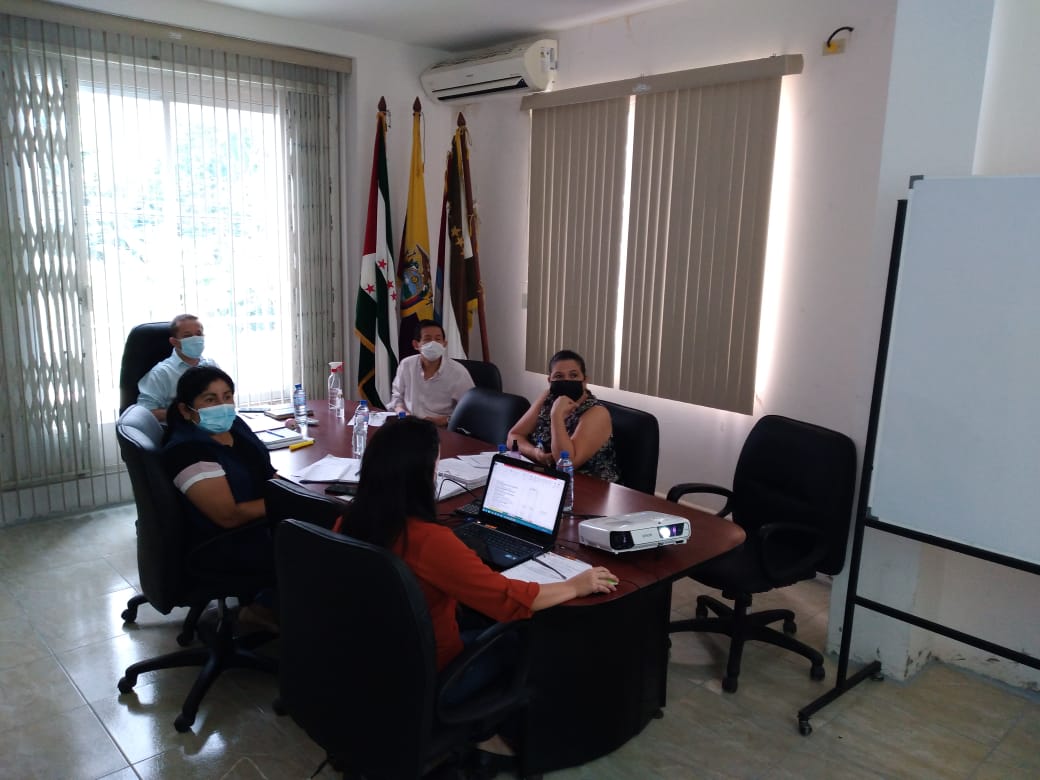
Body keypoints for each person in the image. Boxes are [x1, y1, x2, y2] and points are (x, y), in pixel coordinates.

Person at [338, 416, 617, 767]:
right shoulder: (430, 542)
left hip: (370, 660)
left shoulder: (348, 520)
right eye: (436, 464)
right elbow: (506, 601)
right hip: (433, 675)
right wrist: (575, 584)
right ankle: (504, 738)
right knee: (524, 637)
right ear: (422, 475)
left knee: (473, 616)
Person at [162, 365, 277, 625]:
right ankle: (263, 608)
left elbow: (265, 470)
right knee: (321, 539)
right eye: (210, 399)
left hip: (259, 525)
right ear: (186, 410)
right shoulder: (187, 452)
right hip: (226, 544)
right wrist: (287, 502)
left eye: (227, 397)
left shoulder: (234, 426)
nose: (223, 406)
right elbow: (229, 516)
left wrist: (292, 489)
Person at [507, 349, 619, 482]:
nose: (566, 380)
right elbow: (513, 437)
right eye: (559, 376)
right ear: (550, 380)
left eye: (573, 375)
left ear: (585, 380)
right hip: (548, 479)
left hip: (588, 486)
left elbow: (567, 463)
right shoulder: (548, 397)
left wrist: (556, 415)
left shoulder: (597, 413)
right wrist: (535, 453)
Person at [389, 319, 473, 426]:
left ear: (444, 344)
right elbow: (397, 397)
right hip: (409, 424)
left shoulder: (458, 372)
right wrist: (403, 414)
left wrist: (445, 421)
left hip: (442, 428)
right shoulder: (406, 365)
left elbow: (470, 409)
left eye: (438, 339)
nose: (433, 343)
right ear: (416, 344)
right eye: (427, 339)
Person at [138, 314, 219, 422]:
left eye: (198, 334)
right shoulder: (161, 373)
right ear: (174, 342)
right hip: (183, 427)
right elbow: (145, 412)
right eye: (187, 336)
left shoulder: (212, 365)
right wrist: (186, 414)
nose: (195, 339)